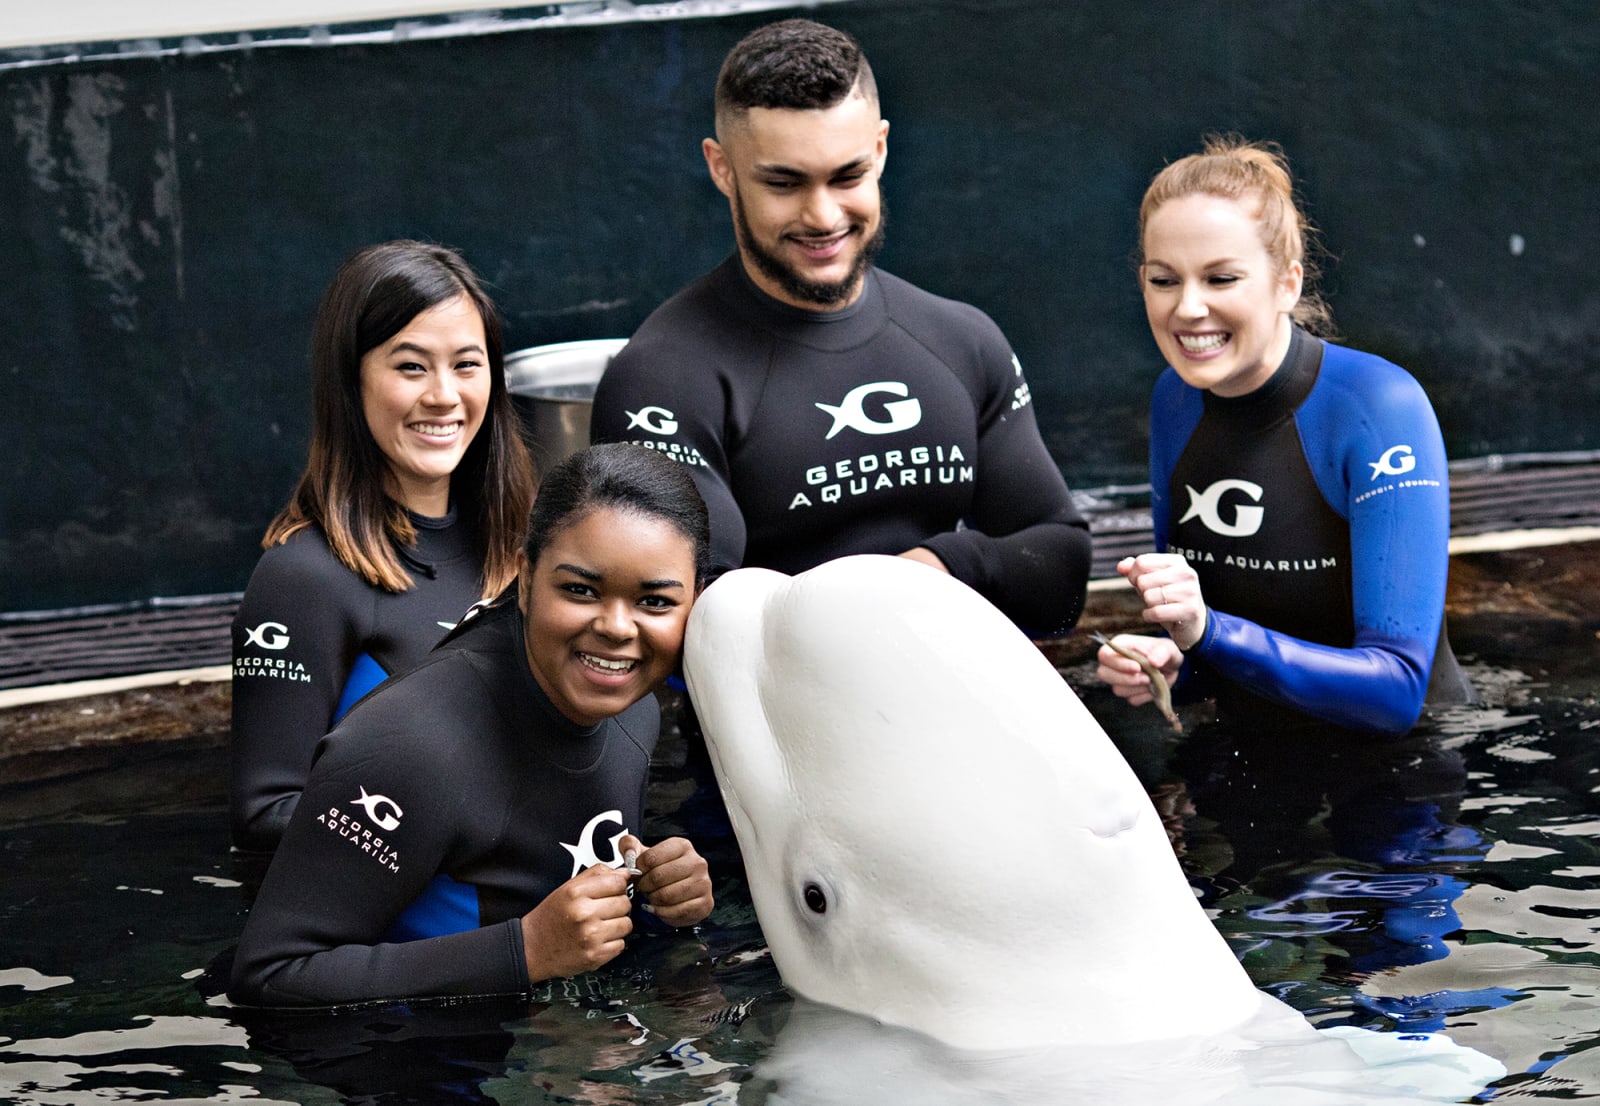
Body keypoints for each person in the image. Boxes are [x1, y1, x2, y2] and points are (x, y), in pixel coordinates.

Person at [590, 18, 1091, 636]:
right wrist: (881, 600)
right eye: (784, 182)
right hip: (781, 729)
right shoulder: (662, 379)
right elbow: (709, 620)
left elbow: (1061, 576)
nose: (822, 215)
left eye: (847, 176)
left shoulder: (962, 340)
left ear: (880, 150)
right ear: (721, 169)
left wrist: (942, 565)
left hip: (959, 707)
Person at [229, 444, 716, 1007]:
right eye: (580, 590)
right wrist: (525, 950)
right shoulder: (412, 745)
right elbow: (269, 975)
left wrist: (661, 889)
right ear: (526, 576)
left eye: (654, 602)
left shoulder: (634, 706)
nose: (615, 628)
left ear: (694, 602)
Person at [1097, 136, 1472, 735]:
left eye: (1221, 279)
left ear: (1287, 284)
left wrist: (1211, 635)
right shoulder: (1175, 399)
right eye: (1165, 280)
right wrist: (1177, 662)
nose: (1188, 308)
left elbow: (1398, 690)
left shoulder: (1377, 407)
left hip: (1409, 768)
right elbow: (1212, 637)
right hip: (1254, 742)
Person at [230, 241, 537, 853]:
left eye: (467, 365)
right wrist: (467, 826)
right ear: (352, 381)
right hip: (410, 940)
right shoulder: (303, 578)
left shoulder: (529, 550)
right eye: (411, 367)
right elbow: (264, 816)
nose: (445, 396)